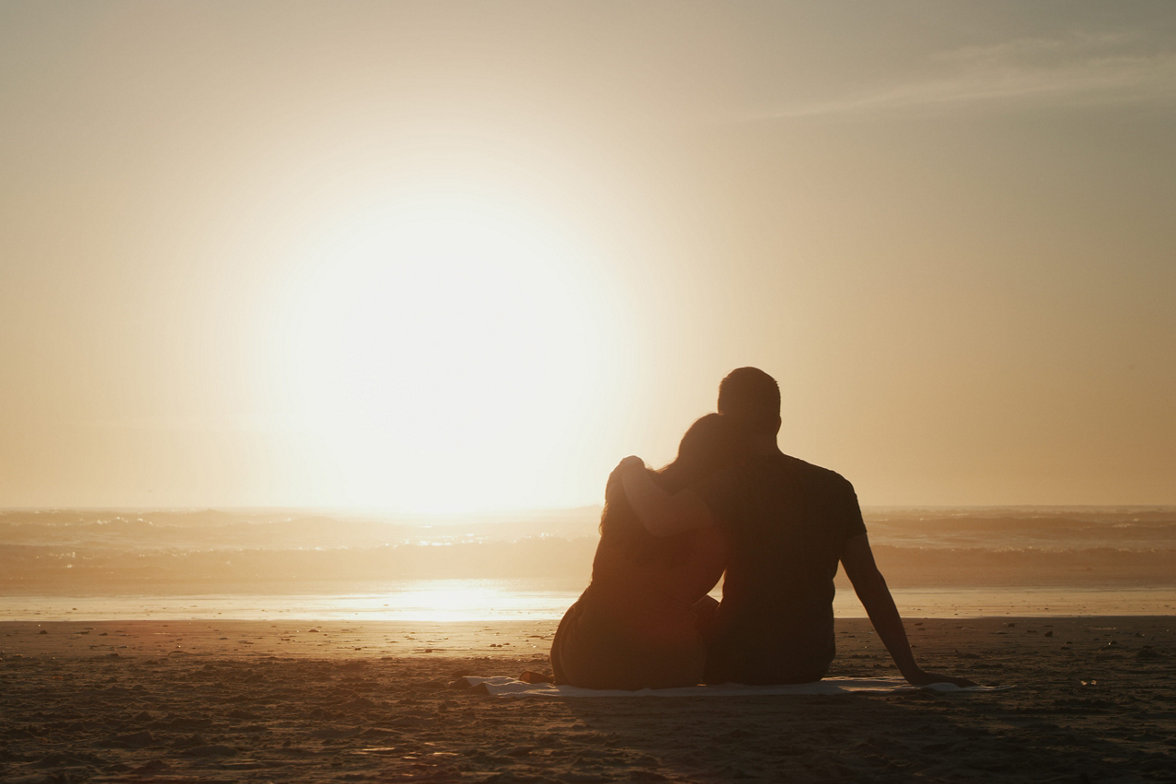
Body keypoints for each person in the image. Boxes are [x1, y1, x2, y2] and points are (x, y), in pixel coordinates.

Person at [616, 367, 973, 687]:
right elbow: (869, 582)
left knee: (683, 608)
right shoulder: (835, 486)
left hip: (739, 661)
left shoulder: (729, 485)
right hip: (809, 660)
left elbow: (659, 520)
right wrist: (911, 670)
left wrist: (630, 468)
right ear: (778, 421)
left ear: (725, 423)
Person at [550, 414, 743, 689]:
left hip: (589, 664)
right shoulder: (726, 523)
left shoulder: (632, 493)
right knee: (696, 608)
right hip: (674, 669)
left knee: (594, 600)